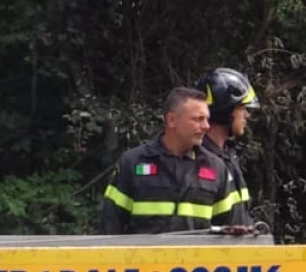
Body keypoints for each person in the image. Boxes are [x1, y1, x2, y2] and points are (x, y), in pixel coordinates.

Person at [101, 88, 249, 234]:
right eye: (198, 119)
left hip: (196, 258)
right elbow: (110, 228)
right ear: (172, 120)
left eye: (207, 119)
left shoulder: (217, 169)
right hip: (143, 259)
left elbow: (232, 232)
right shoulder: (133, 163)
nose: (206, 126)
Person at [199, 67, 260, 228]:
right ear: (225, 110)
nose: (247, 115)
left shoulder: (227, 155)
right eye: (243, 108)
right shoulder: (199, 160)